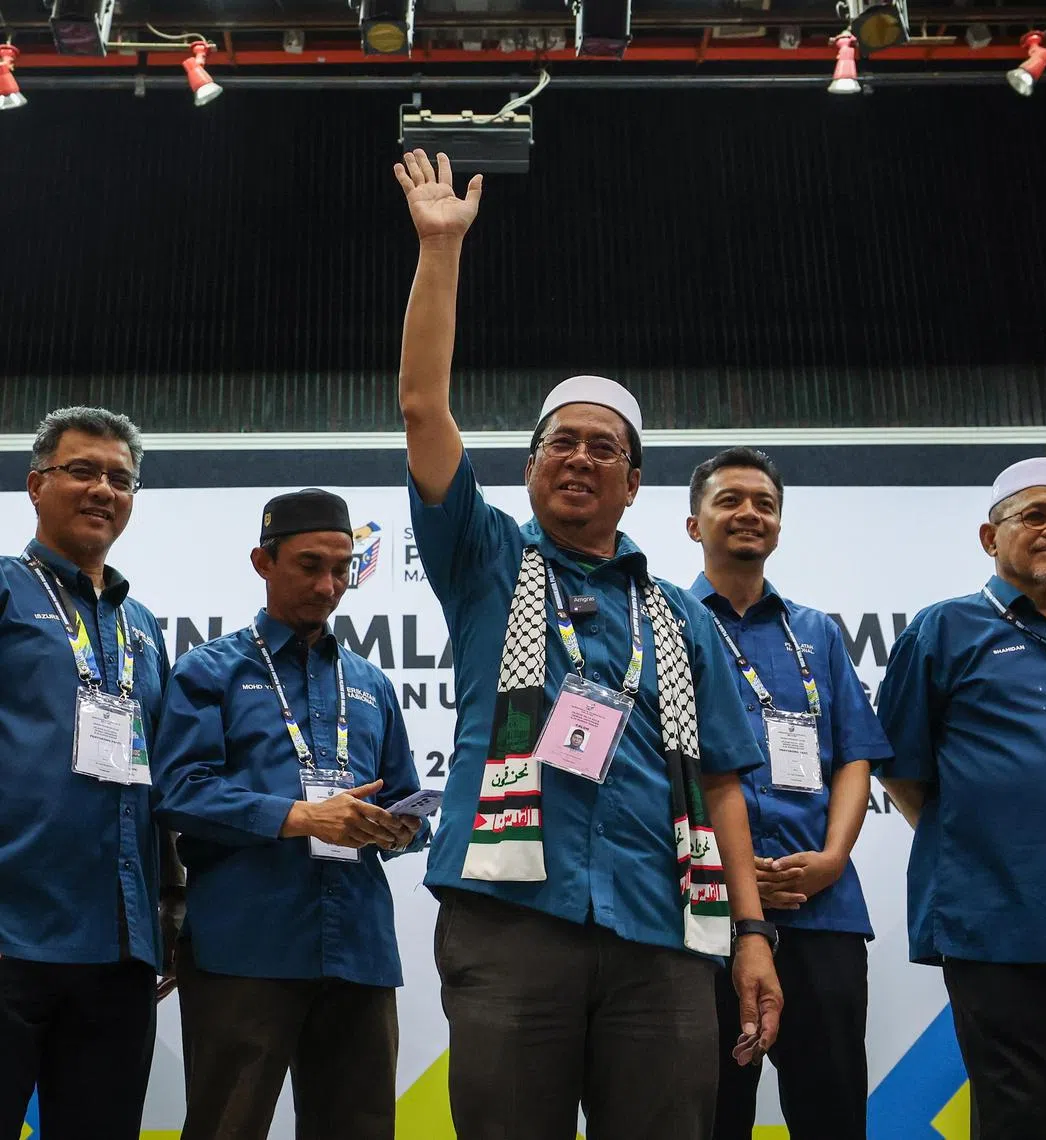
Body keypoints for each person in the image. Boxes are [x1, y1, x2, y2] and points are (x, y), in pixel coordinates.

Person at [393, 148, 782, 1140]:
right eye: (559, 442)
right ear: (528, 468)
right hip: (511, 921)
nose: (578, 458)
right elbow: (424, 408)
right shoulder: (484, 560)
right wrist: (440, 250)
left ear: (634, 483)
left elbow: (724, 785)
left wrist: (750, 933)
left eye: (603, 447)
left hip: (662, 929)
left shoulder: (680, 615)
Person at [876, 456, 1046, 1140]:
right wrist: (986, 845)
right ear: (991, 538)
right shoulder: (944, 630)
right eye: (1036, 515)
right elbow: (900, 766)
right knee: (1025, 1121)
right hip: (1004, 927)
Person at [151, 489, 428, 1140]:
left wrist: (399, 827)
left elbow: (405, 799)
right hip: (245, 947)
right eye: (309, 566)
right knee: (226, 1126)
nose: (328, 586)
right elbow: (179, 792)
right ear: (263, 562)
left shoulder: (372, 684)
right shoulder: (208, 672)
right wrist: (302, 817)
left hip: (358, 949)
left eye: (341, 568)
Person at [687, 447, 892, 1140]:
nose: (750, 513)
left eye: (765, 504)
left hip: (821, 909)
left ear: (779, 525)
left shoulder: (817, 633)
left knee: (832, 1112)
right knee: (712, 1114)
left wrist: (832, 859)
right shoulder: (665, 625)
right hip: (706, 912)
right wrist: (730, 870)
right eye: (730, 500)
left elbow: (855, 755)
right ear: (694, 524)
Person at [0, 406, 178, 1140]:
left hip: (118, 949)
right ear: (35, 484)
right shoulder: (8, 589)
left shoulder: (144, 627)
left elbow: (162, 777)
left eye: (120, 479)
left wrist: (171, 907)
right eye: (82, 471)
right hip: (11, 934)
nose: (104, 489)